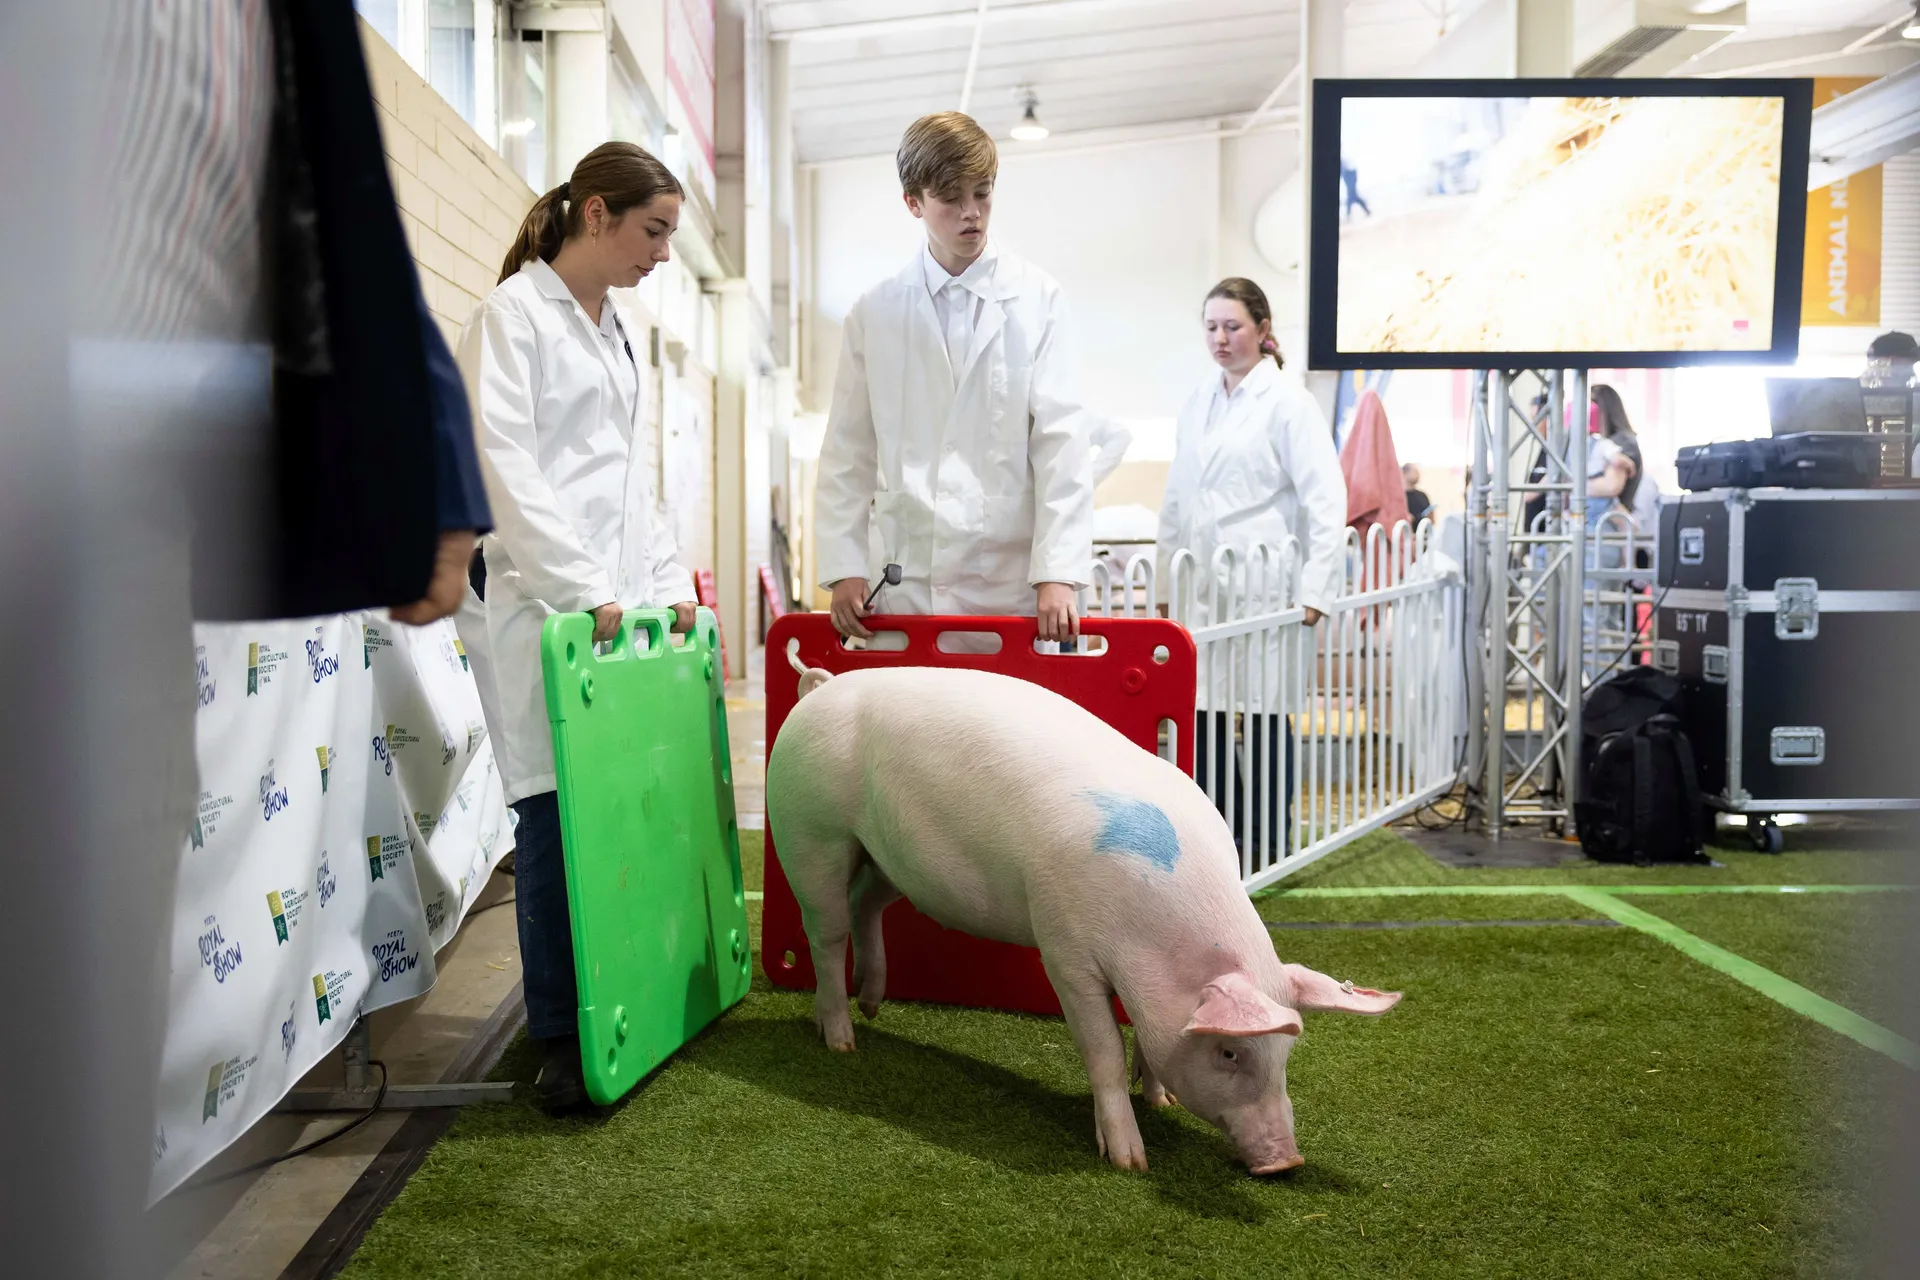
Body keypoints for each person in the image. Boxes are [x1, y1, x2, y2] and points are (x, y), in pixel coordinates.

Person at [459, 141, 699, 1113]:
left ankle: (617, 1001)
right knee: (552, 818)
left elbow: (629, 484)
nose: (664, 254)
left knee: (609, 811)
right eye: (655, 231)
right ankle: (559, 1035)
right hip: (538, 605)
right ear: (596, 214)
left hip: (606, 608)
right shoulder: (511, 318)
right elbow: (507, 470)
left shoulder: (618, 331)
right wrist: (586, 586)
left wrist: (664, 579)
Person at [815, 112, 1093, 645]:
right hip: (904, 584)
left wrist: (1057, 571)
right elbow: (847, 449)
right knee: (906, 726)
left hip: (1006, 589)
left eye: (982, 194)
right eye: (951, 200)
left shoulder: (1039, 302)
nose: (972, 214)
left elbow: (1061, 443)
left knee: (997, 728)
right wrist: (844, 563)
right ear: (913, 203)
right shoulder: (873, 314)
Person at [1157, 277, 1347, 854]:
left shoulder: (1289, 402)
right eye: (1211, 326)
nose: (1220, 338)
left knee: (1264, 716)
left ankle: (1269, 840)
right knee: (1207, 716)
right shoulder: (1199, 400)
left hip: (1266, 588)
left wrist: (1317, 587)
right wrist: (1168, 579)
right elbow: (1177, 496)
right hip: (1203, 587)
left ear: (1263, 332)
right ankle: (1220, 842)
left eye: (1232, 326)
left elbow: (1325, 497)